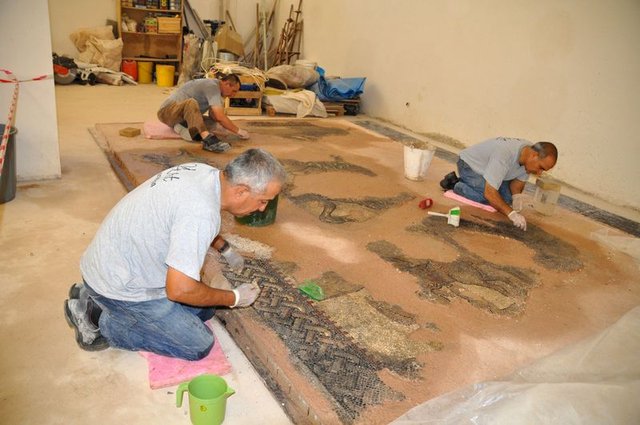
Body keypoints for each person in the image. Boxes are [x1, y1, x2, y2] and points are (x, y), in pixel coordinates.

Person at [64, 148, 287, 360]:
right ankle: (96, 317)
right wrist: (235, 298)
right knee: (197, 344)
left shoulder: (204, 173)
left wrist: (224, 248)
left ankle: (90, 294)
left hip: (110, 263)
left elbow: (184, 223)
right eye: (263, 201)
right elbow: (179, 290)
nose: (262, 209)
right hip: (122, 286)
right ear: (241, 191)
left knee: (205, 310)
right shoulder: (201, 213)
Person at [439, 137, 558, 231]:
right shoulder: (505, 154)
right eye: (541, 168)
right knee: (490, 199)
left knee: (506, 200)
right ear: (533, 156)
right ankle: (456, 184)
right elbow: (489, 193)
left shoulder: (528, 155)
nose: (539, 173)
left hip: (489, 171)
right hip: (470, 166)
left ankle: (473, 183)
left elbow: (516, 185)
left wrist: (517, 197)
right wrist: (511, 214)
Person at [157, 73, 251, 153]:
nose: (233, 95)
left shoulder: (218, 90)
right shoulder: (212, 86)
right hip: (166, 112)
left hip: (182, 118)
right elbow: (219, 116)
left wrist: (222, 127)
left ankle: (180, 128)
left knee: (212, 124)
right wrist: (239, 131)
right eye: (234, 91)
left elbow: (214, 115)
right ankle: (208, 140)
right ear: (227, 84)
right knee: (191, 103)